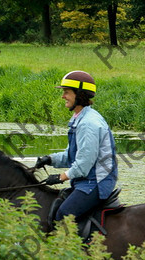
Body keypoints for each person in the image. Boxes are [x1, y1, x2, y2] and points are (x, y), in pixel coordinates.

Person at [35, 70, 118, 224]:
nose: (63, 96)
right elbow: (70, 156)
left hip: (96, 183)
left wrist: (60, 177)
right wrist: (49, 159)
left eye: (66, 92)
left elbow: (84, 164)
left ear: (79, 95)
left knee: (63, 215)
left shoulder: (88, 124)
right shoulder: (80, 119)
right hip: (85, 181)